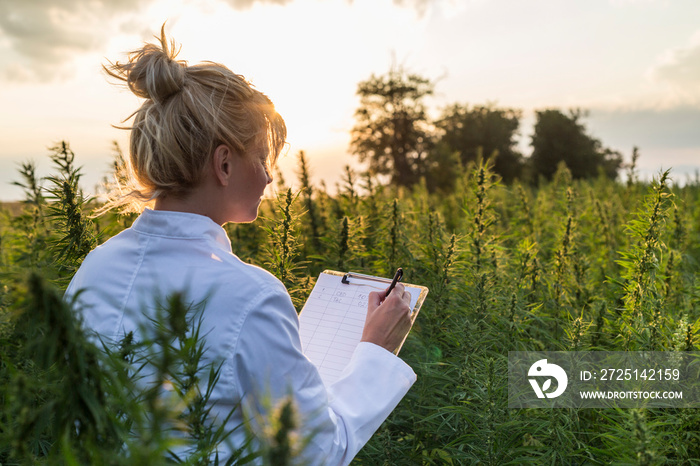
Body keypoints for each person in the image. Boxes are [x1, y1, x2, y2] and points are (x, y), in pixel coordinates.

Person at [65, 26, 416, 465]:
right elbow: (318, 454)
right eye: (263, 158)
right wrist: (375, 351)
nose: (270, 177)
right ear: (225, 163)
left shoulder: (95, 267)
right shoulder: (251, 295)